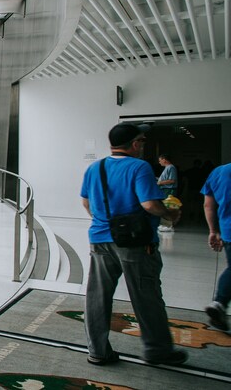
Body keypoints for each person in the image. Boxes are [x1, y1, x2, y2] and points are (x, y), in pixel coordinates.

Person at [79, 123, 185, 366]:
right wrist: (170, 215)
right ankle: (157, 350)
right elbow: (149, 204)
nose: (143, 144)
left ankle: (97, 351)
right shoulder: (140, 167)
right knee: (145, 295)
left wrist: (104, 222)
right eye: (142, 140)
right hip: (136, 243)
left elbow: (86, 203)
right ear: (135, 144)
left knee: (97, 296)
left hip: (99, 239)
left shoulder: (95, 167)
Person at [201, 162, 231, 331]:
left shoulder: (219, 172)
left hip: (228, 230)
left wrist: (213, 230)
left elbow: (208, 205)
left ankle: (219, 302)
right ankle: (219, 303)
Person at [156, 154, 179, 232]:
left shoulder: (171, 167)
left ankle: (169, 225)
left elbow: (172, 180)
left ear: (164, 159)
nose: (159, 162)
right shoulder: (167, 168)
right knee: (165, 207)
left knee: (169, 207)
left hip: (169, 190)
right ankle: (165, 224)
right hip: (165, 190)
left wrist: (160, 183)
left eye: (160, 160)